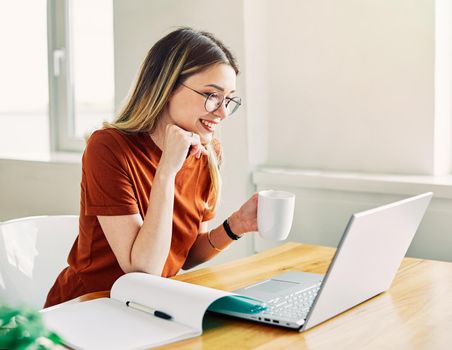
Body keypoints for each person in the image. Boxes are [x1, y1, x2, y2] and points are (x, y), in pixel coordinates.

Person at [44, 27, 258, 307]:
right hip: (89, 307)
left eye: (228, 99)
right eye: (211, 95)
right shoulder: (108, 147)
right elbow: (142, 270)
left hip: (152, 305)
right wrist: (167, 171)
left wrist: (236, 225)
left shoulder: (206, 152)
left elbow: (185, 253)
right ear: (167, 87)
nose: (222, 111)